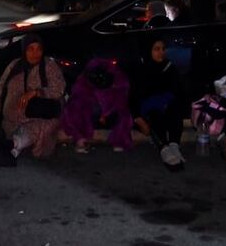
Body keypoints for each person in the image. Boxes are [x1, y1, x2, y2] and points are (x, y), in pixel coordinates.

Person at [0, 34, 66, 159]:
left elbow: (59, 88)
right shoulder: (14, 66)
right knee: (11, 130)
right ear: (24, 50)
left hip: (40, 116)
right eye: (30, 49)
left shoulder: (49, 66)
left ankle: (13, 145)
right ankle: (13, 149)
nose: (35, 53)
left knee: (38, 128)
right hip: (13, 119)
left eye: (38, 49)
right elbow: (1, 90)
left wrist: (37, 92)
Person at [130, 36, 187, 170]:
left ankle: (174, 145)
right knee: (155, 113)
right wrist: (138, 118)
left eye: (163, 49)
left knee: (174, 108)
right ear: (148, 51)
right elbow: (133, 97)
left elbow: (178, 91)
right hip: (147, 109)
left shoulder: (169, 67)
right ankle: (164, 148)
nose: (161, 52)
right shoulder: (142, 71)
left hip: (166, 105)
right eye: (156, 49)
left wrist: (169, 102)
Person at [61, 58, 133, 153]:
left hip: (109, 117)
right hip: (92, 117)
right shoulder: (84, 82)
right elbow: (75, 104)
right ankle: (80, 140)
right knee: (77, 107)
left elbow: (121, 103)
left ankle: (118, 140)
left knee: (123, 114)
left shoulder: (117, 81)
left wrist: (106, 113)